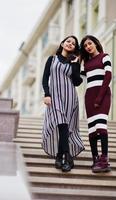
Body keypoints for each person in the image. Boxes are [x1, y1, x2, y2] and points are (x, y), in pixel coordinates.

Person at [42, 35, 84, 172]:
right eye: (68, 41)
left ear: (74, 48)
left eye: (73, 43)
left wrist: (76, 64)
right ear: (62, 43)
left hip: (70, 97)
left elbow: (77, 82)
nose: (70, 44)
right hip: (54, 97)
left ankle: (60, 156)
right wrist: (47, 94)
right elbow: (45, 78)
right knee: (62, 124)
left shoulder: (74, 61)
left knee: (65, 127)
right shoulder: (52, 59)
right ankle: (68, 157)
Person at [80, 35, 112, 173]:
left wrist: (99, 98)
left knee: (101, 126)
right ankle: (95, 159)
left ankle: (104, 160)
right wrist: (77, 60)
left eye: (89, 44)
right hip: (89, 97)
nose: (88, 47)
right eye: (85, 46)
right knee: (92, 130)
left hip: (103, 95)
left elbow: (108, 76)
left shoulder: (105, 56)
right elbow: (78, 78)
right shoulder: (86, 64)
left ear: (96, 43)